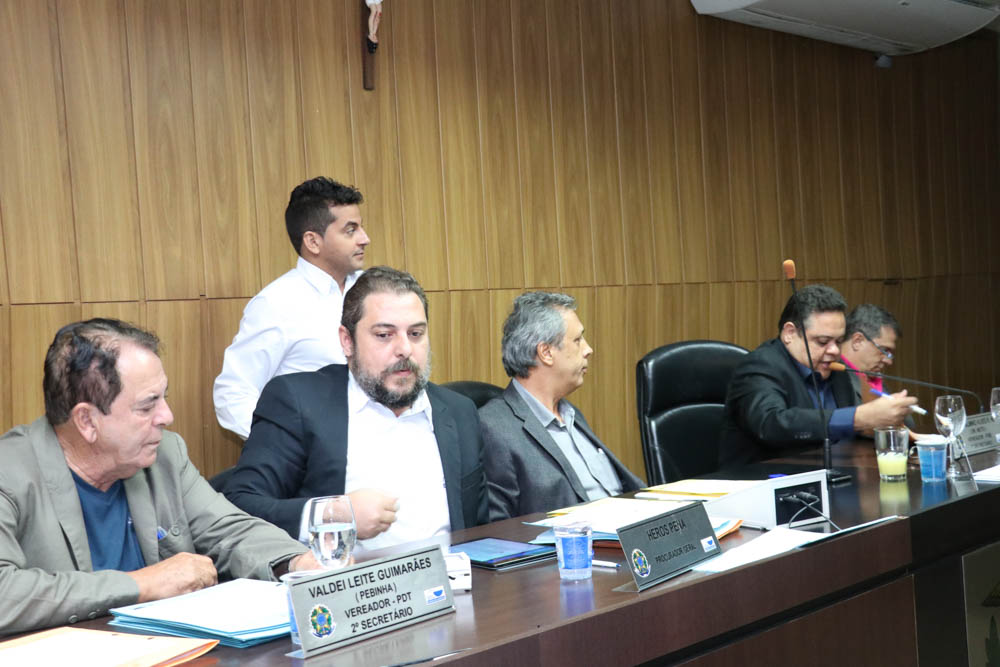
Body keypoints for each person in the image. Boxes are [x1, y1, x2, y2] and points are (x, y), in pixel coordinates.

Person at [0, 319, 317, 638]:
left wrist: (297, 563)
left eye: (164, 398)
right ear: (86, 420)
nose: (167, 416)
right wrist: (142, 584)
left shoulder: (164, 454)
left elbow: (230, 531)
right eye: (146, 406)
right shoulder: (10, 472)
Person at [222, 266, 487, 552]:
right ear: (347, 341)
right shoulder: (299, 403)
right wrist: (333, 515)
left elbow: (482, 530)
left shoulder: (459, 412)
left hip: (449, 576)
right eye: (384, 335)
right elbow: (241, 504)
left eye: (415, 333)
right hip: (345, 578)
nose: (405, 349)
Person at [213, 177, 371, 439]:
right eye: (350, 230)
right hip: (318, 457)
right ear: (313, 242)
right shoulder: (276, 304)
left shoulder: (374, 291)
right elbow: (233, 394)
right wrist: (290, 446)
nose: (365, 239)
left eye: (361, 227)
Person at [479, 292, 644, 521]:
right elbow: (499, 529)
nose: (588, 349)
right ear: (546, 353)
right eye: (577, 340)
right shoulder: (494, 428)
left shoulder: (571, 413)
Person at [719, 285, 917, 466]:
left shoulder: (835, 369)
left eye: (838, 341)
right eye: (822, 341)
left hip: (832, 477)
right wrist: (858, 418)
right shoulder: (760, 365)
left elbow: (847, 430)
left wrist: (881, 421)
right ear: (790, 333)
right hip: (764, 483)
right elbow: (772, 423)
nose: (834, 350)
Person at [841, 304, 920, 435]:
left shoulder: (872, 376)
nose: (889, 361)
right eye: (884, 350)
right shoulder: (833, 375)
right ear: (857, 341)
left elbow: (908, 426)